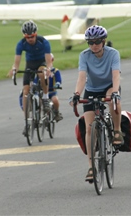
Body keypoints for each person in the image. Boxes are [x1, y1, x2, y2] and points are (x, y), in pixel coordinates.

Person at [71, 25, 123, 183]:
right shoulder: (84, 55)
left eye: (98, 41)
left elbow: (116, 75)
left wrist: (115, 91)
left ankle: (116, 130)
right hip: (92, 90)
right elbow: (82, 78)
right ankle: (91, 167)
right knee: (89, 128)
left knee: (113, 100)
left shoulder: (113, 54)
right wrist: (77, 94)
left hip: (109, 87)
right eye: (90, 42)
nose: (94, 45)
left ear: (104, 41)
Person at [7, 20, 52, 135]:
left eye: (32, 37)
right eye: (27, 37)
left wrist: (48, 69)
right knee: (26, 91)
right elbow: (17, 63)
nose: (30, 39)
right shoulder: (21, 44)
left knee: (42, 73)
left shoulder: (44, 42)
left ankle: (45, 98)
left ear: (36, 34)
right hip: (30, 64)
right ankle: (27, 122)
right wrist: (14, 70)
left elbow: (48, 62)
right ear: (24, 36)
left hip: (41, 62)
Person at [18, 53, 63, 122]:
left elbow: (58, 79)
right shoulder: (40, 71)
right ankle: (39, 117)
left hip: (52, 92)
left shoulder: (55, 71)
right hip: (42, 92)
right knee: (39, 101)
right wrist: (33, 85)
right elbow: (36, 80)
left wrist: (57, 84)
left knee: (55, 100)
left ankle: (56, 113)